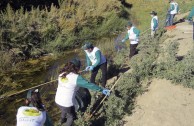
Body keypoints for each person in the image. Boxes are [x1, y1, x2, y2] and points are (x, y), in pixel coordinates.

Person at [55, 58, 110, 126]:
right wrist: (101, 90)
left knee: (64, 110)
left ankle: (61, 121)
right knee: (71, 117)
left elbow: (69, 83)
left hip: (57, 100)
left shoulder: (62, 74)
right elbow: (89, 85)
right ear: (77, 68)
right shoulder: (76, 78)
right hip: (67, 103)